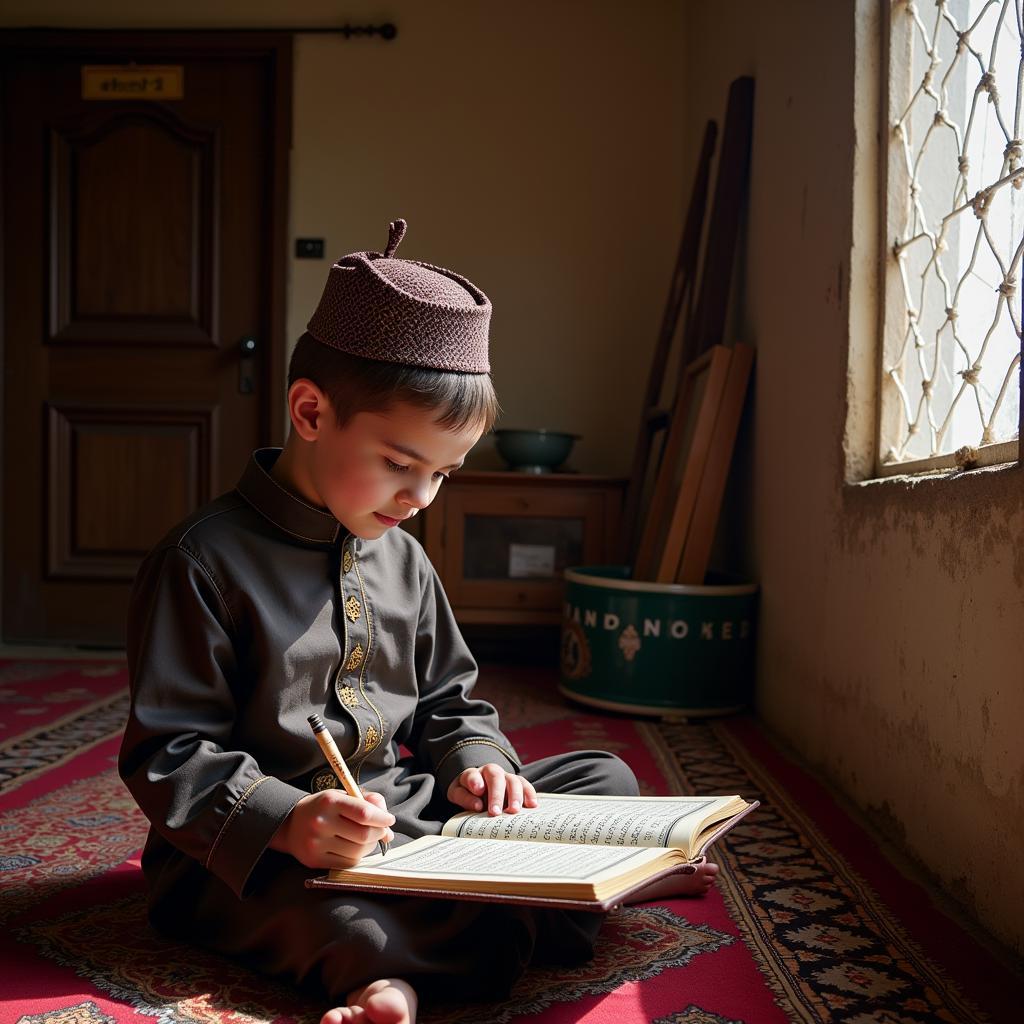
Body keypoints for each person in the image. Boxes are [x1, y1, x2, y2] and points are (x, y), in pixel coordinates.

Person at [119, 219, 718, 1024]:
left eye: (443, 473)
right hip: (260, 854)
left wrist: (477, 763)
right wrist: (288, 820)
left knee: (599, 781)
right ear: (308, 411)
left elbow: (450, 700)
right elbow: (169, 751)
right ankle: (392, 980)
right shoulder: (201, 561)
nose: (419, 498)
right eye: (401, 464)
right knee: (334, 915)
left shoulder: (402, 555)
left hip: (402, 812)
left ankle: (511, 910)